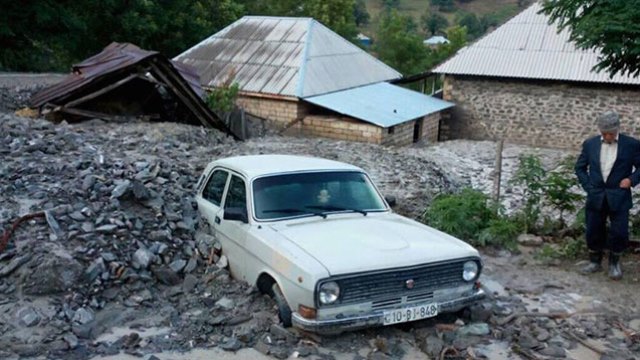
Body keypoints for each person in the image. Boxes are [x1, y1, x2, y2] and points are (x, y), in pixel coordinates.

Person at [575, 110, 640, 280]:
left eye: (610, 133)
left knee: (619, 232)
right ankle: (595, 261)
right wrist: (588, 186)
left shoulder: (631, 145)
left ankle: (614, 263)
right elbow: (579, 168)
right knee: (593, 230)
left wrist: (631, 180)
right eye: (604, 133)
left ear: (617, 129)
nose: (607, 136)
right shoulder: (590, 144)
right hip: (595, 195)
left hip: (619, 196)